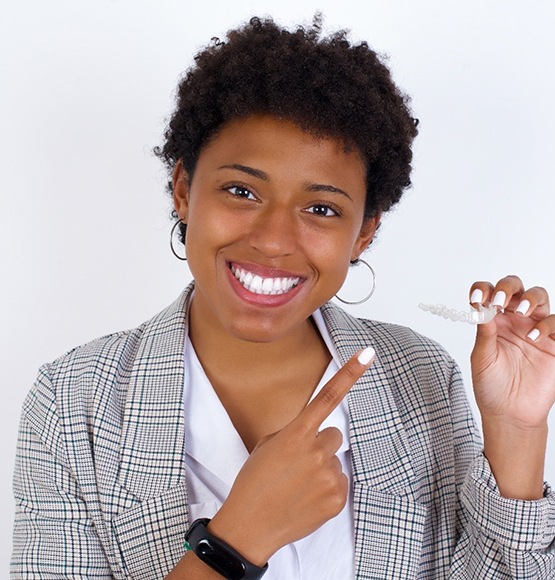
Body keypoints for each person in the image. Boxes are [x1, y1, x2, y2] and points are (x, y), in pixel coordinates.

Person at [11, 16, 555, 580]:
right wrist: (237, 539)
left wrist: (517, 432)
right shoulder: (73, 404)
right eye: (241, 191)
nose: (273, 240)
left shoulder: (420, 378)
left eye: (321, 209)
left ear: (364, 233)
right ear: (182, 191)